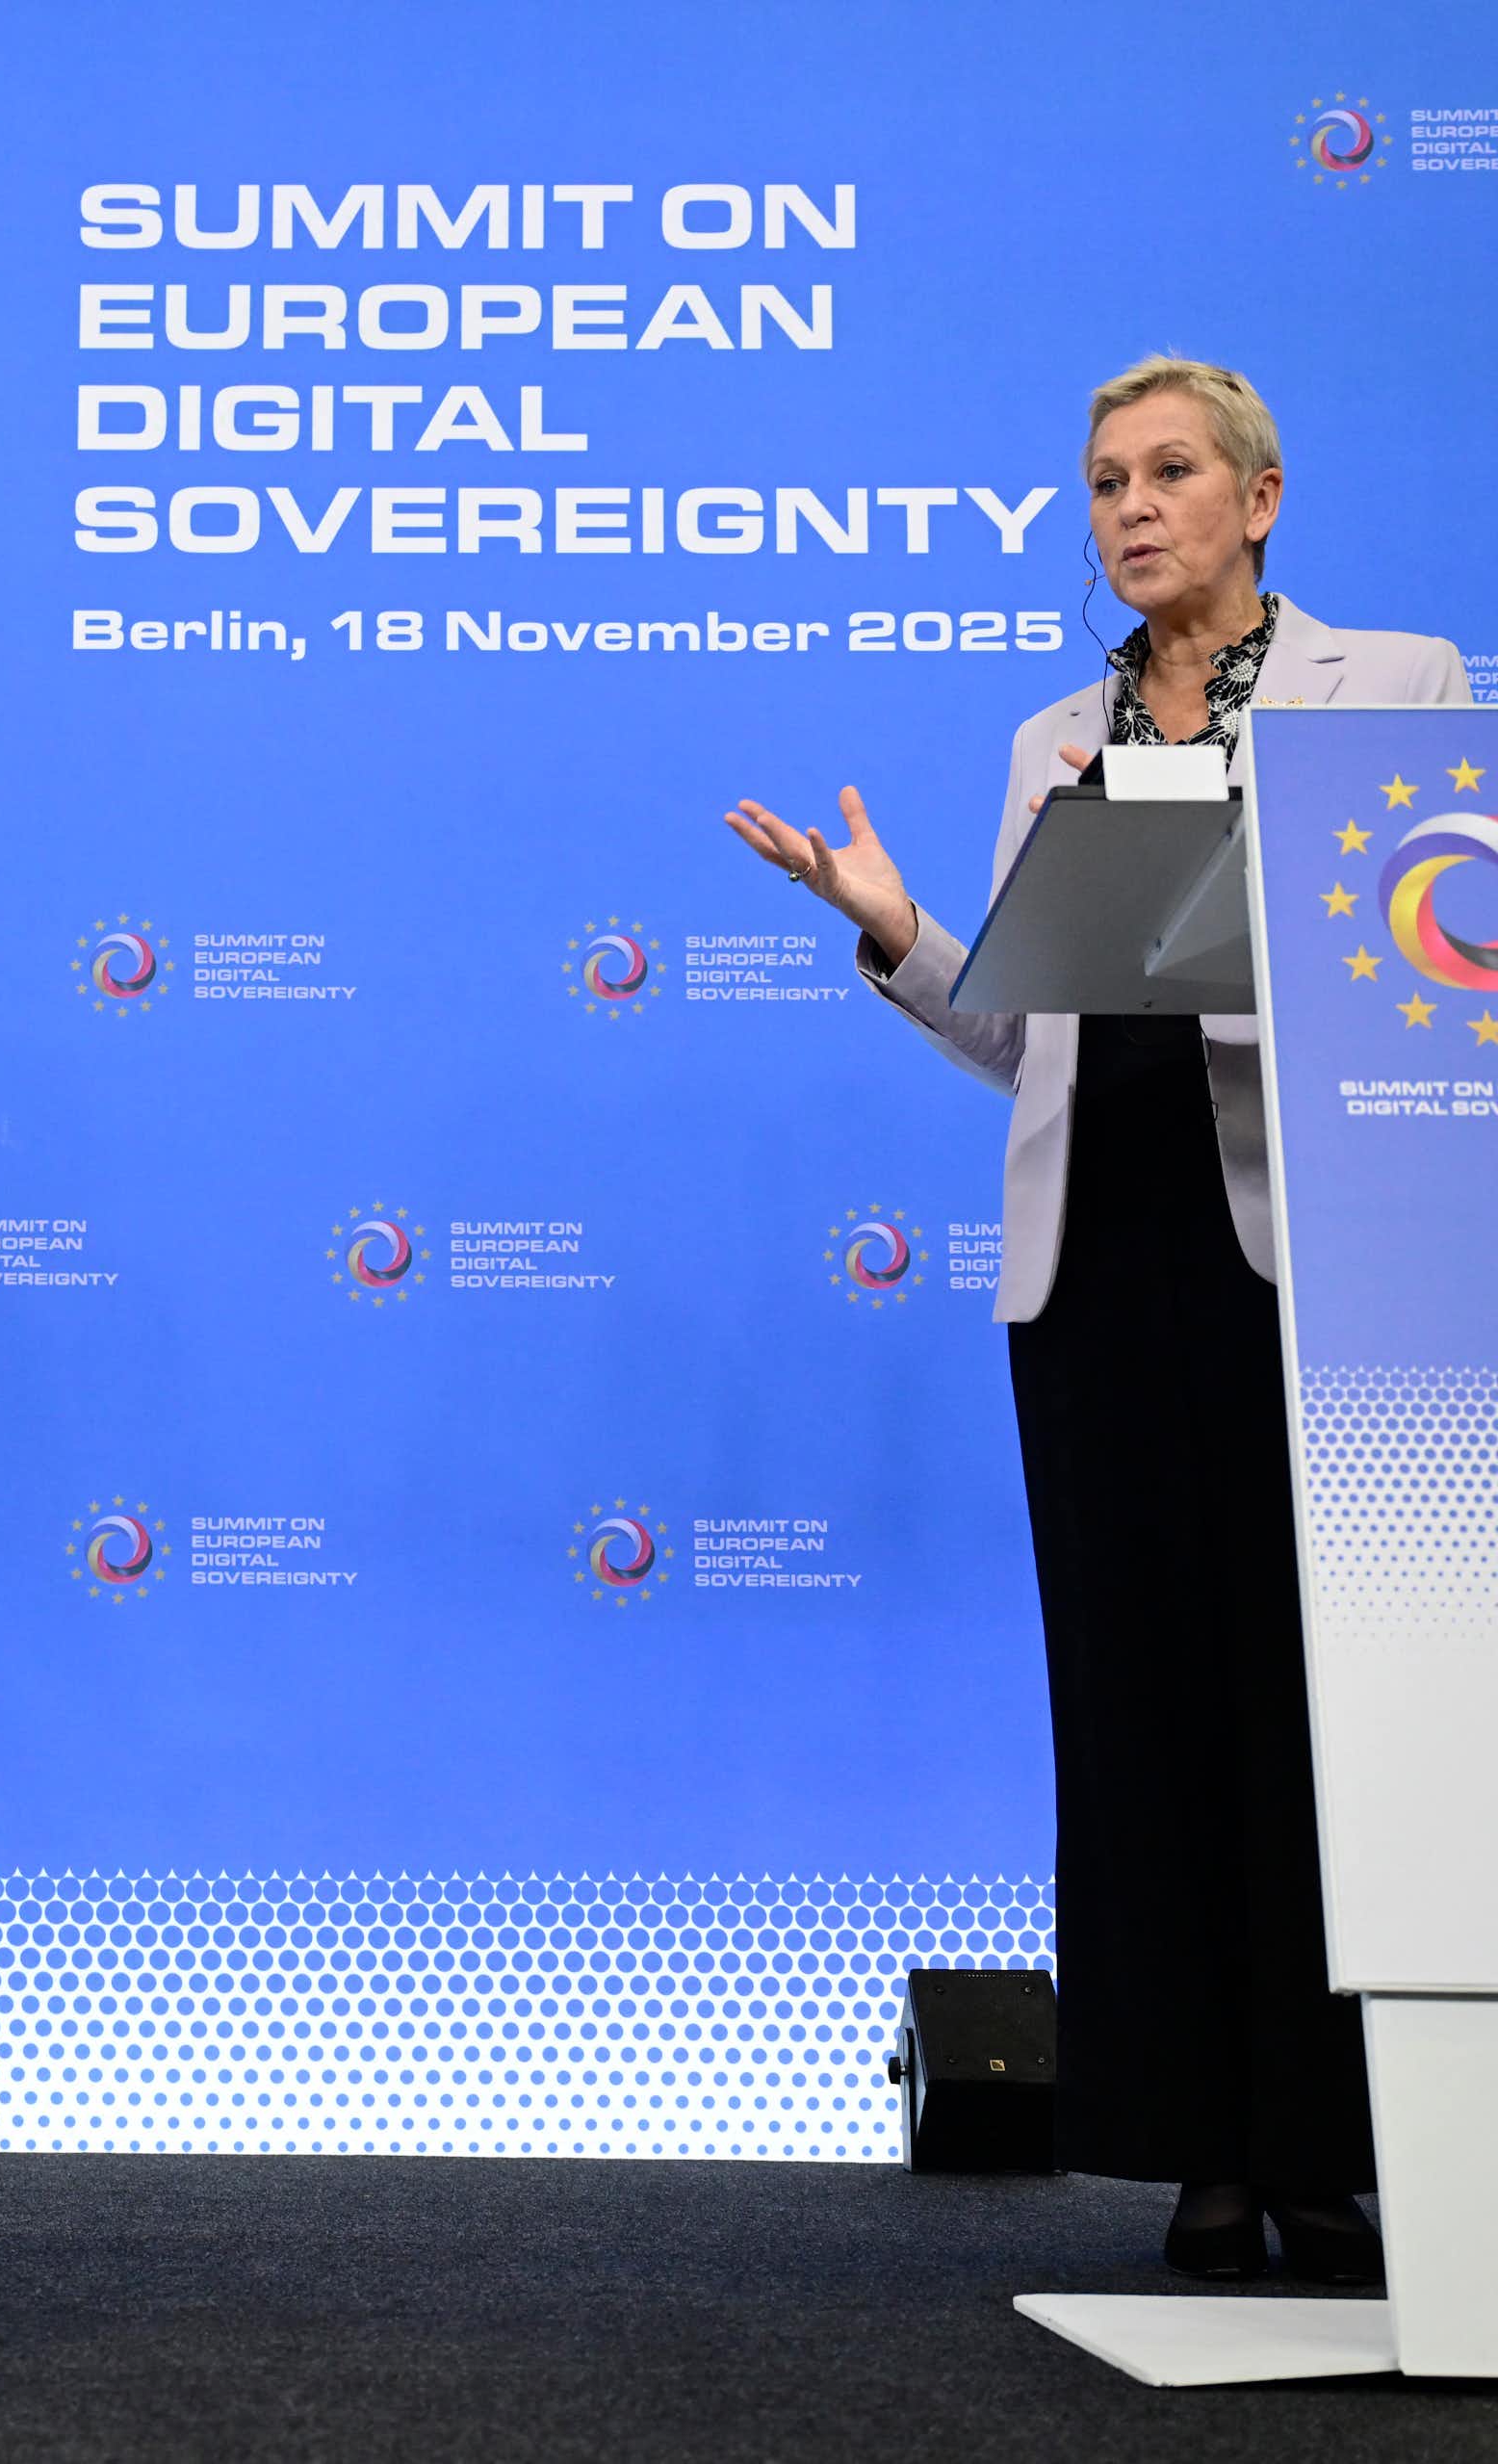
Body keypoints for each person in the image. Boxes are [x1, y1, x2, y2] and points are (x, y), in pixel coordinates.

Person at [723, 356, 1470, 2284]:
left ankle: (1334, 2146)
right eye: (1100, 481)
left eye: (1164, 473)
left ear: (1258, 495)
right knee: (1134, 1714)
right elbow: (1019, 1031)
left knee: (1305, 1718)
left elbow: (1430, 958)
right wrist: (890, 929)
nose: (1127, 508)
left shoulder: (1390, 681)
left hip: (1307, 1265)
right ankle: (1196, 2153)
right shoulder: (1048, 731)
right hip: (1093, 1266)